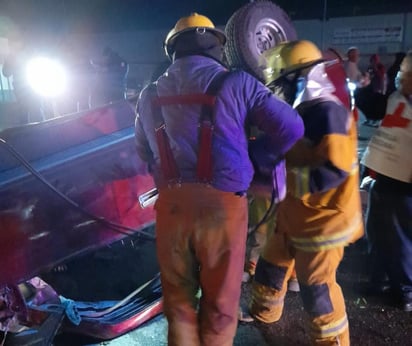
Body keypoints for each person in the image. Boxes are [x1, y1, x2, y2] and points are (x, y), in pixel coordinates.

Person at [134, 12, 304, 346]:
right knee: (221, 305)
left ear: (174, 49)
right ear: (216, 46)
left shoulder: (148, 95)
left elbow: (142, 152)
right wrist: (260, 156)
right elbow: (292, 128)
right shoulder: (238, 83)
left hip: (171, 210)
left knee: (179, 303)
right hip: (222, 210)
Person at [241, 40, 364, 345]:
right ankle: (264, 317)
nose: (275, 93)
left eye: (278, 85)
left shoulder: (327, 114)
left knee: (317, 289)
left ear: (300, 79)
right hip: (295, 218)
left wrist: (285, 181)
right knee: (269, 268)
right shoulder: (304, 112)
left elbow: (333, 171)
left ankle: (332, 341)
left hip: (323, 224)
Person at [361, 51, 412, 312]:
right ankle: (377, 281)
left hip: (403, 182)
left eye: (404, 72)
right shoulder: (396, 98)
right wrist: (364, 89)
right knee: (378, 231)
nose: (401, 76)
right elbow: (373, 107)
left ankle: (404, 290)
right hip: (384, 175)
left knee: (401, 238)